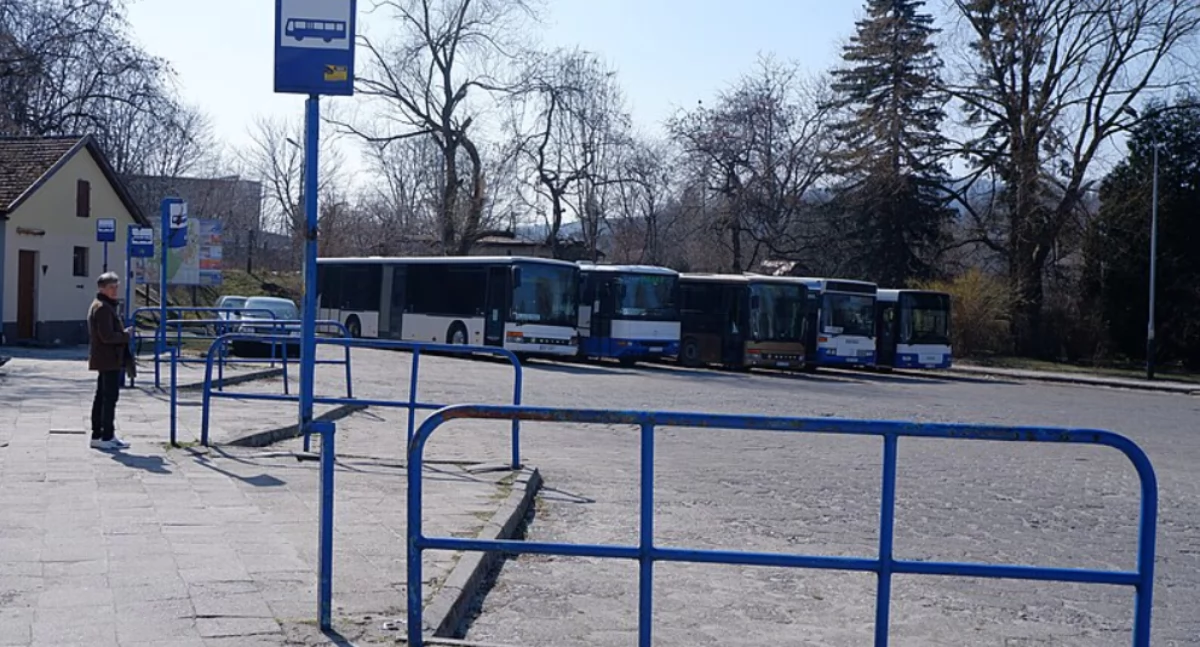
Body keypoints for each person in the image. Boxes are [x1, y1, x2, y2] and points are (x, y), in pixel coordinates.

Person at [88, 272, 133, 450]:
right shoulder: (102, 308)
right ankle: (104, 435)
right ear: (102, 289)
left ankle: (103, 434)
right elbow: (106, 336)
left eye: (116, 287)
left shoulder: (104, 306)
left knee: (103, 396)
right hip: (108, 358)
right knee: (108, 397)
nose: (114, 291)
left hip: (107, 358)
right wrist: (125, 335)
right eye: (111, 287)